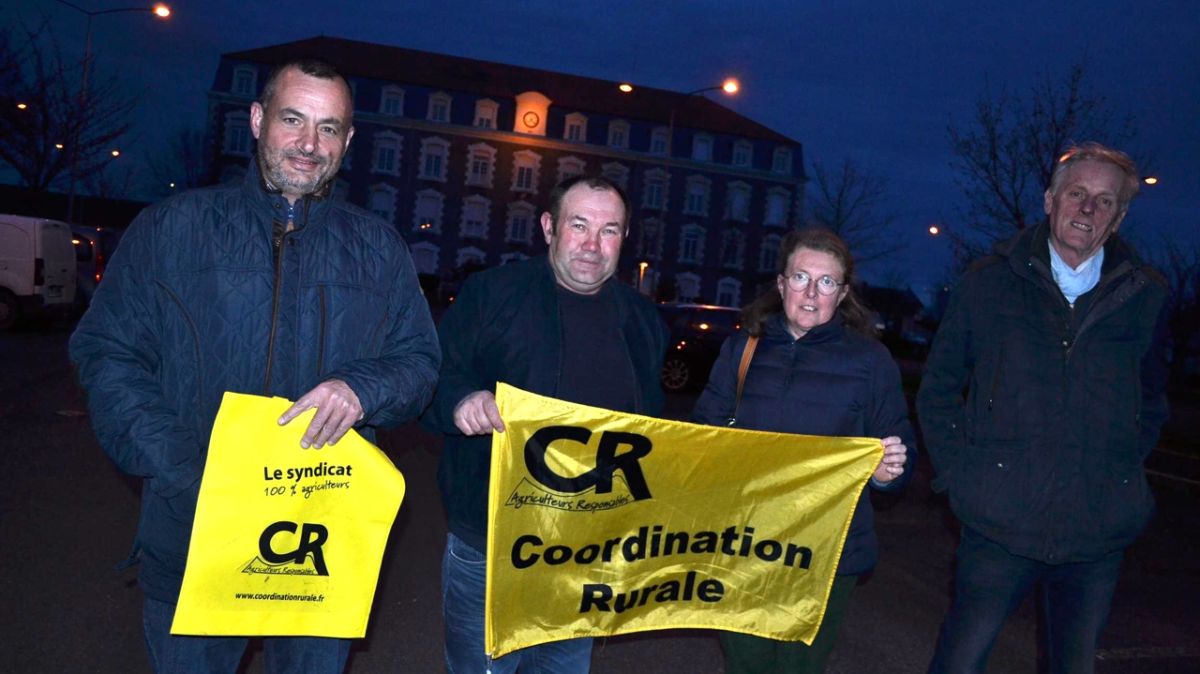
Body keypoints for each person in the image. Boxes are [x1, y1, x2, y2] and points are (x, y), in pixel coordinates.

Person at [69, 58, 441, 673]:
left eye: (328, 128)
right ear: (257, 119)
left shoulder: (379, 249)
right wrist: (185, 470)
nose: (309, 143)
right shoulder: (173, 229)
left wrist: (362, 388)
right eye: (293, 120)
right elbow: (108, 353)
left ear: (348, 140)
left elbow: (420, 362)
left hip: (320, 550)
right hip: (195, 537)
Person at [918, 142, 1171, 673]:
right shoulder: (989, 282)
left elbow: (1151, 400)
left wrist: (1119, 472)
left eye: (1105, 201)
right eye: (1076, 194)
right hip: (998, 525)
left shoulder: (1144, 296)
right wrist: (963, 477)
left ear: (1119, 218)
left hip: (1095, 532)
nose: (1087, 208)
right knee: (959, 663)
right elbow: (939, 388)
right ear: (1050, 200)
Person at [421, 174, 668, 673]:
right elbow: (430, 378)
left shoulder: (643, 321)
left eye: (609, 230)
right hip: (491, 546)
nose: (593, 244)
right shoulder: (492, 294)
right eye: (579, 225)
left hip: (586, 554)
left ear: (624, 238)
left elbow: (654, 431)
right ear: (549, 227)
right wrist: (462, 400)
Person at [691, 227, 913, 673]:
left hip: (827, 553)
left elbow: (898, 448)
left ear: (843, 293)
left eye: (826, 282)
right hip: (744, 546)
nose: (811, 293)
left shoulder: (869, 362)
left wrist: (888, 473)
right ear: (781, 284)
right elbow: (702, 436)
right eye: (800, 278)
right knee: (746, 664)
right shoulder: (742, 349)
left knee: (798, 668)